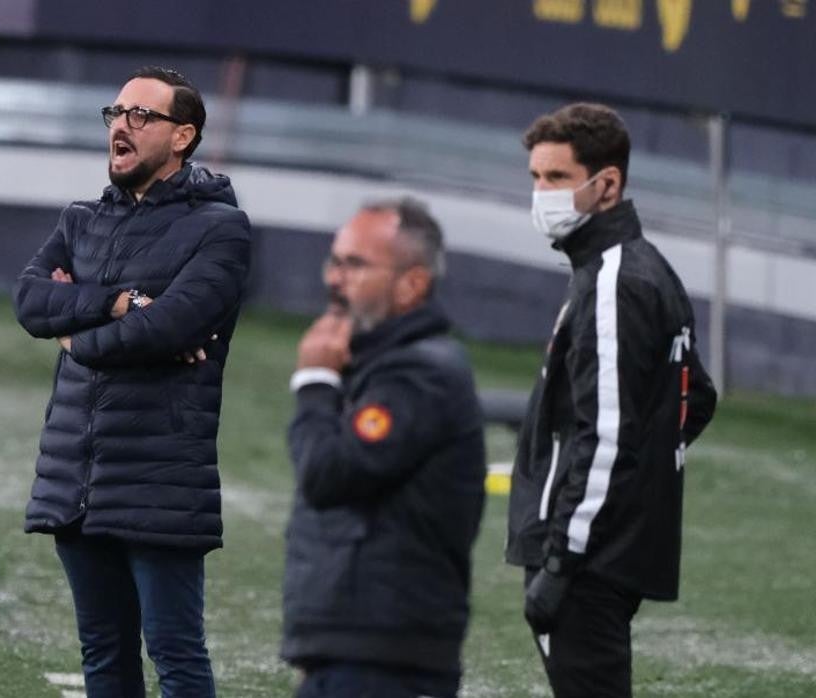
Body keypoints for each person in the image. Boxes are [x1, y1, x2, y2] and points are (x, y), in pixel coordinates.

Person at [12, 66, 250, 697]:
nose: (121, 125)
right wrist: (118, 304)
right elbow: (30, 302)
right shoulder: (81, 219)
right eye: (116, 113)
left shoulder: (220, 228)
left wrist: (74, 334)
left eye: (141, 115)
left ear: (183, 136)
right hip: (78, 478)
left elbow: (165, 331)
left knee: (175, 654)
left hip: (160, 479)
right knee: (105, 657)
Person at [507, 103, 718, 697]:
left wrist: (560, 560)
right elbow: (694, 397)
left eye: (556, 178)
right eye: (535, 178)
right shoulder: (643, 269)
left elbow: (607, 434)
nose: (541, 194)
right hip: (609, 547)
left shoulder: (614, 280)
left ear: (607, 184)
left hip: (587, 557)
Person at [282, 198, 486, 698]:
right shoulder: (380, 365)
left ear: (412, 284)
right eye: (335, 260)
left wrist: (314, 381)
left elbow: (328, 473)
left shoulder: (419, 375)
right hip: (360, 648)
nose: (335, 278)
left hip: (384, 656)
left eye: (355, 264)